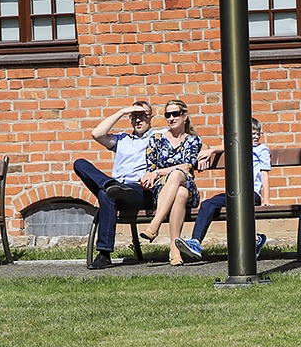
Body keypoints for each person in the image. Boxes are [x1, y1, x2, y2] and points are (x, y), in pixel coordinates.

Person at [73, 102, 156, 269]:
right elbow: (97, 134)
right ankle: (110, 184)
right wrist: (122, 111)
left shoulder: (159, 136)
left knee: (107, 194)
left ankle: (104, 254)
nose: (138, 120)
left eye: (142, 115)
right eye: (134, 116)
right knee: (80, 163)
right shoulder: (122, 139)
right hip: (118, 188)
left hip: (140, 190)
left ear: (151, 118)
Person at [175, 117, 270, 262]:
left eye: (258, 134)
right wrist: (211, 150)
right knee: (208, 204)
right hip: (235, 193)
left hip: (252, 194)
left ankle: (256, 239)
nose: (256, 137)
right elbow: (229, 144)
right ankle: (196, 242)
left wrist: (266, 200)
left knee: (235, 208)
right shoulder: (238, 147)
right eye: (252, 134)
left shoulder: (262, 150)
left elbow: (264, 175)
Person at [139, 99, 203, 266]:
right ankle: (175, 250)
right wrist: (151, 176)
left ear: (185, 116)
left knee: (177, 175)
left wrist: (159, 172)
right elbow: (150, 166)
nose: (171, 118)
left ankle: (155, 225)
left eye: (176, 114)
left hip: (188, 185)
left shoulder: (193, 140)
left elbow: (187, 166)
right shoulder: (156, 139)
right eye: (168, 115)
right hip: (163, 190)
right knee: (179, 192)